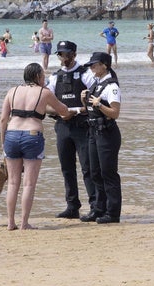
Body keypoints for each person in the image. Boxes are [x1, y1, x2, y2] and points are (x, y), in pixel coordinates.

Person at [0, 63, 70, 231]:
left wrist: (3, 143)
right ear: (38, 76)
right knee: (29, 184)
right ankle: (24, 223)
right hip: (32, 135)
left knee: (12, 183)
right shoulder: (44, 92)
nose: (44, 78)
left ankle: (10, 222)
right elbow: (64, 110)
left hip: (11, 135)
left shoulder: (12, 91)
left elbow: (3, 119)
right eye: (43, 76)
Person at [46, 41, 96, 220]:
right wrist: (61, 113)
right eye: (60, 54)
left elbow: (96, 100)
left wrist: (77, 111)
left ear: (74, 54)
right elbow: (45, 104)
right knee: (67, 168)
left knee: (87, 167)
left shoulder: (86, 74)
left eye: (67, 54)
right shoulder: (54, 78)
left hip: (82, 126)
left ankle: (95, 206)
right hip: (62, 127)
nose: (64, 58)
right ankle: (72, 206)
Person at [80, 52, 122, 224]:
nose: (91, 68)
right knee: (94, 172)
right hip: (93, 132)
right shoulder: (97, 84)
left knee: (108, 173)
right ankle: (99, 209)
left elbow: (115, 113)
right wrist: (85, 101)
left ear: (105, 65)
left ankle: (113, 213)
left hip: (107, 133)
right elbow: (90, 110)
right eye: (91, 65)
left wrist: (99, 104)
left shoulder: (112, 87)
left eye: (94, 65)